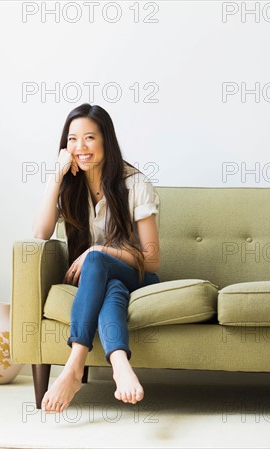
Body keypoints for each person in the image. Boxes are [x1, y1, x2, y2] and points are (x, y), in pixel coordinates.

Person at [33, 103, 161, 413]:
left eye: (89, 137)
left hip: (140, 276)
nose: (81, 147)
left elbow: (152, 260)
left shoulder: (135, 183)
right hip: (102, 283)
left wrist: (98, 250)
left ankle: (74, 364)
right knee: (112, 290)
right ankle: (119, 363)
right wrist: (57, 175)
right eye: (72, 139)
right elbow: (40, 234)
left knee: (97, 262)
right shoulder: (71, 185)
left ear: (106, 140)